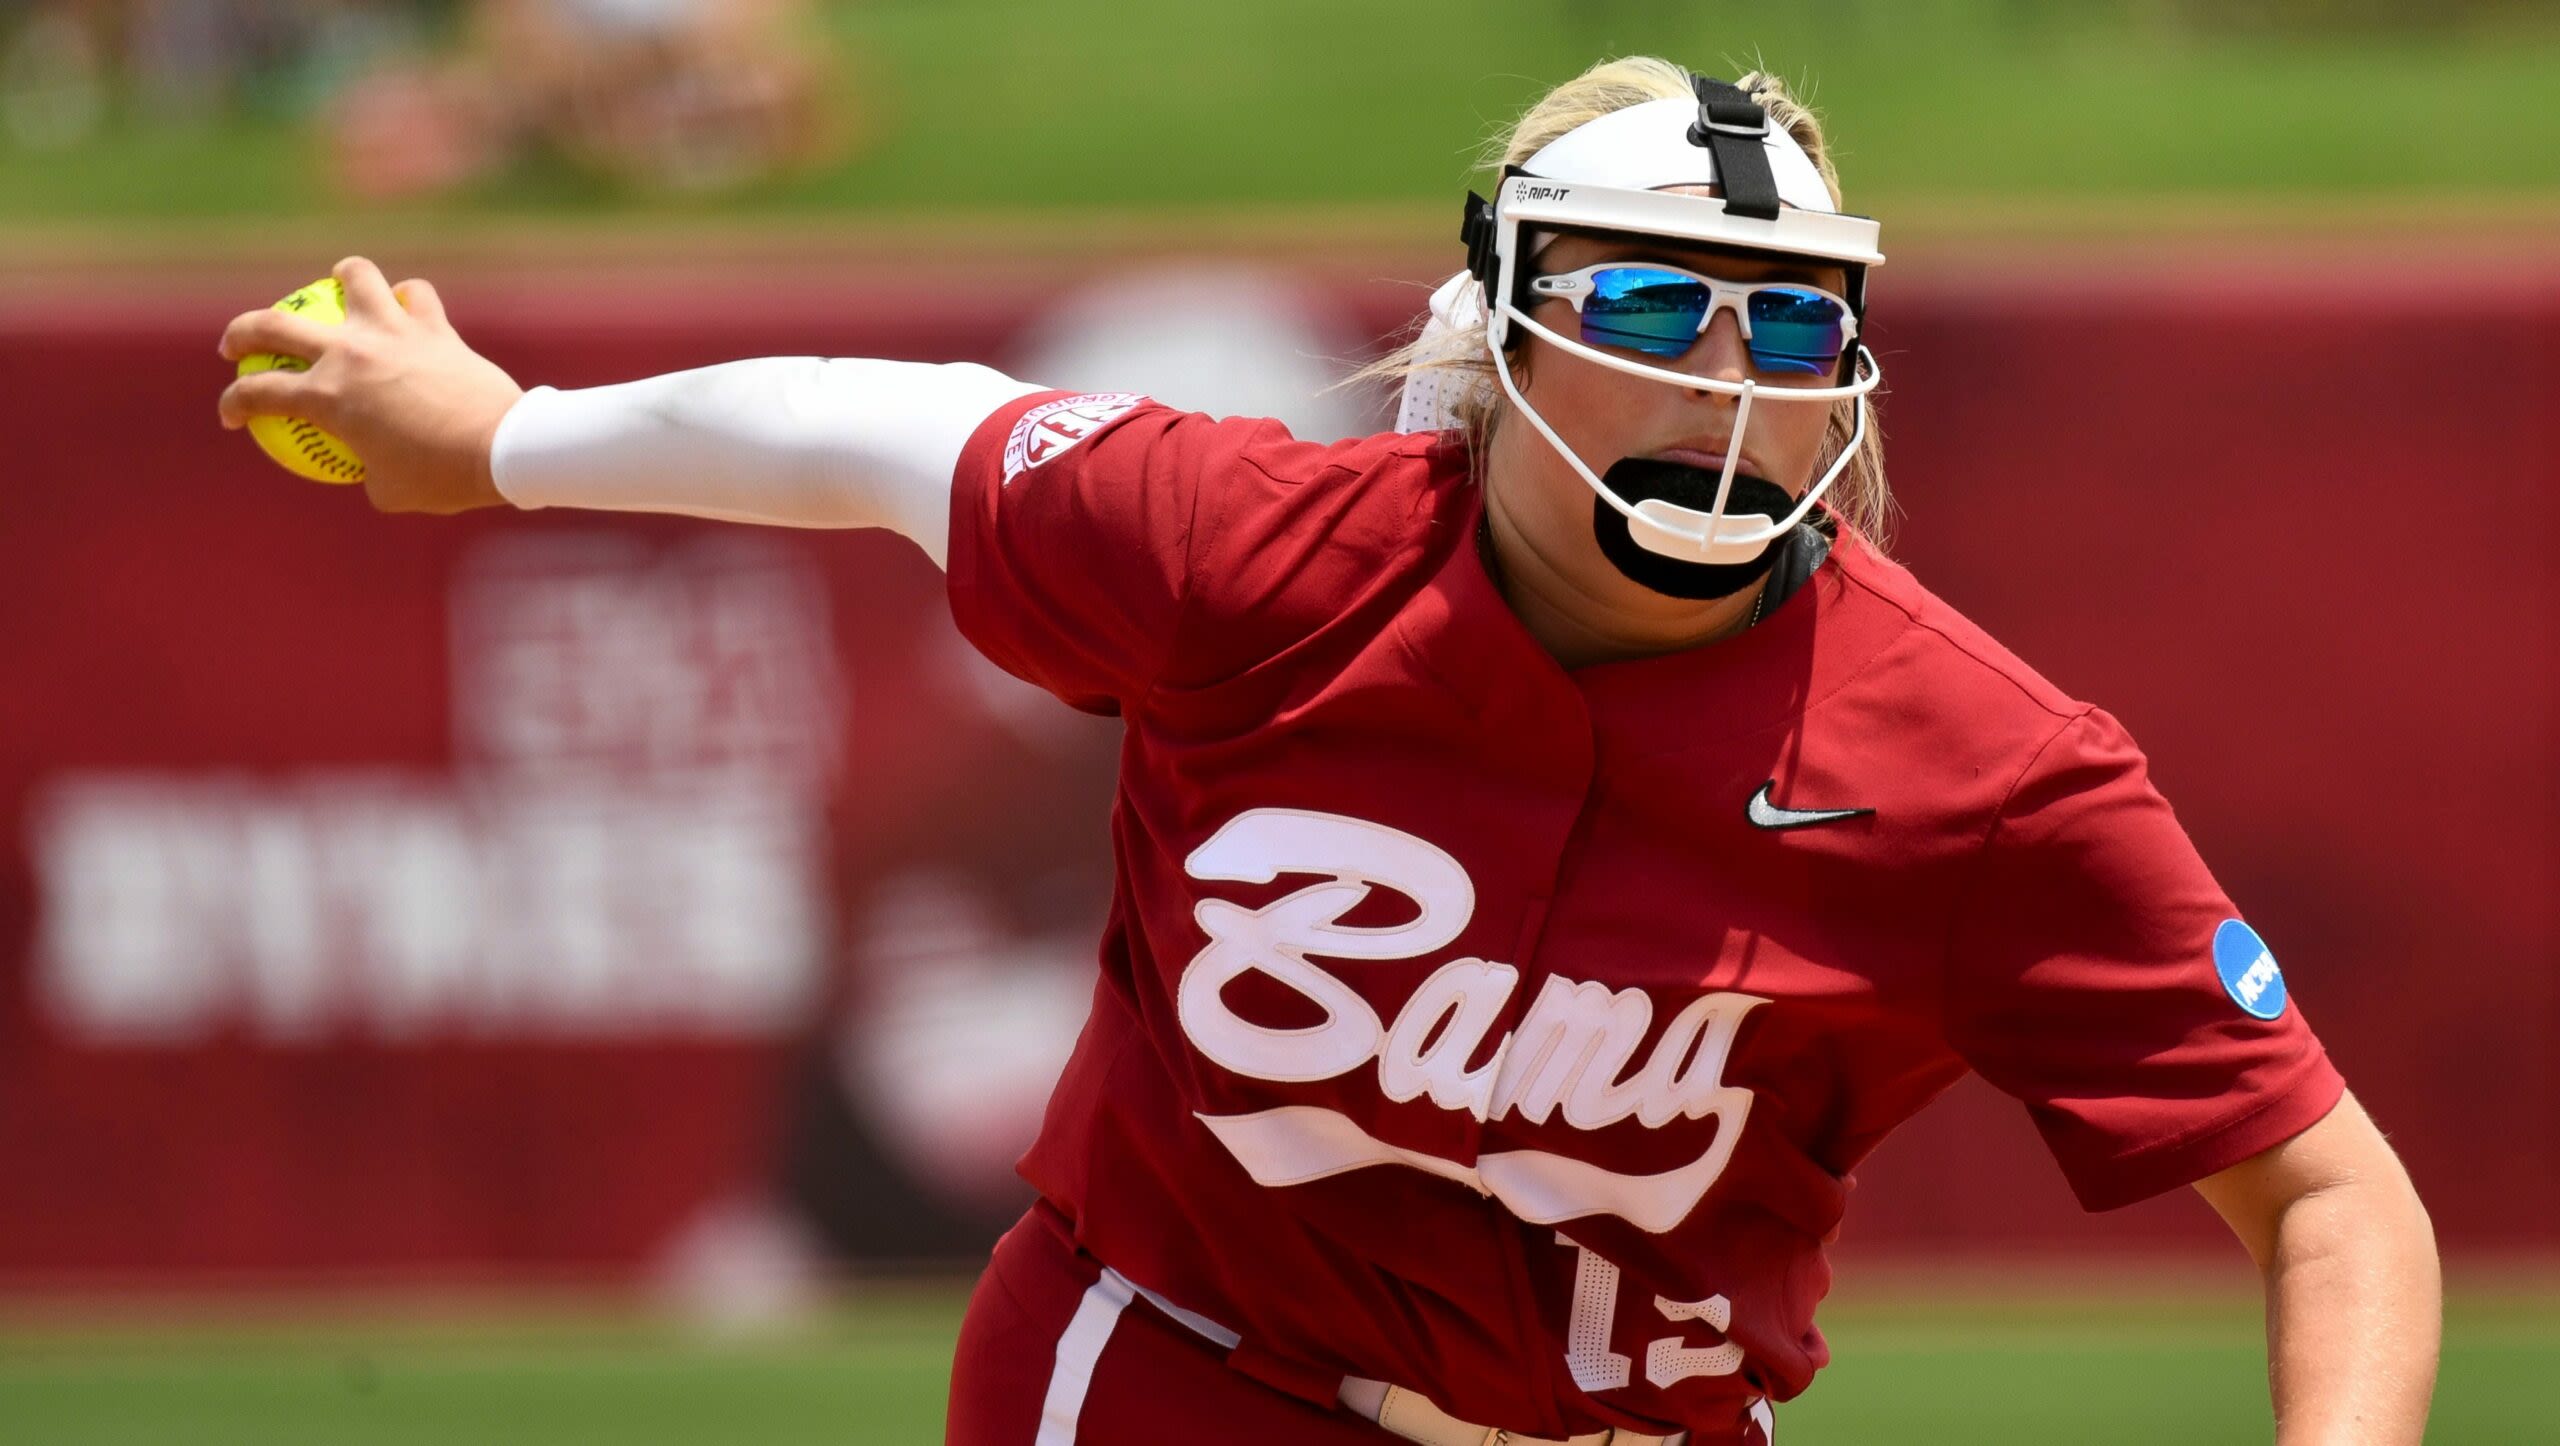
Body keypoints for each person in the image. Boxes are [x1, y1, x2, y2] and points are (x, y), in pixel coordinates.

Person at [216, 56, 2440, 1446]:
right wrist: (500, 440)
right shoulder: (1246, 550)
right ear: (1503, 330)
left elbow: (2330, 1194)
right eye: (1658, 306)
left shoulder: (1979, 767)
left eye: (1791, 321)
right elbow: (872, 427)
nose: (1734, 381)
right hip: (1177, 1374)